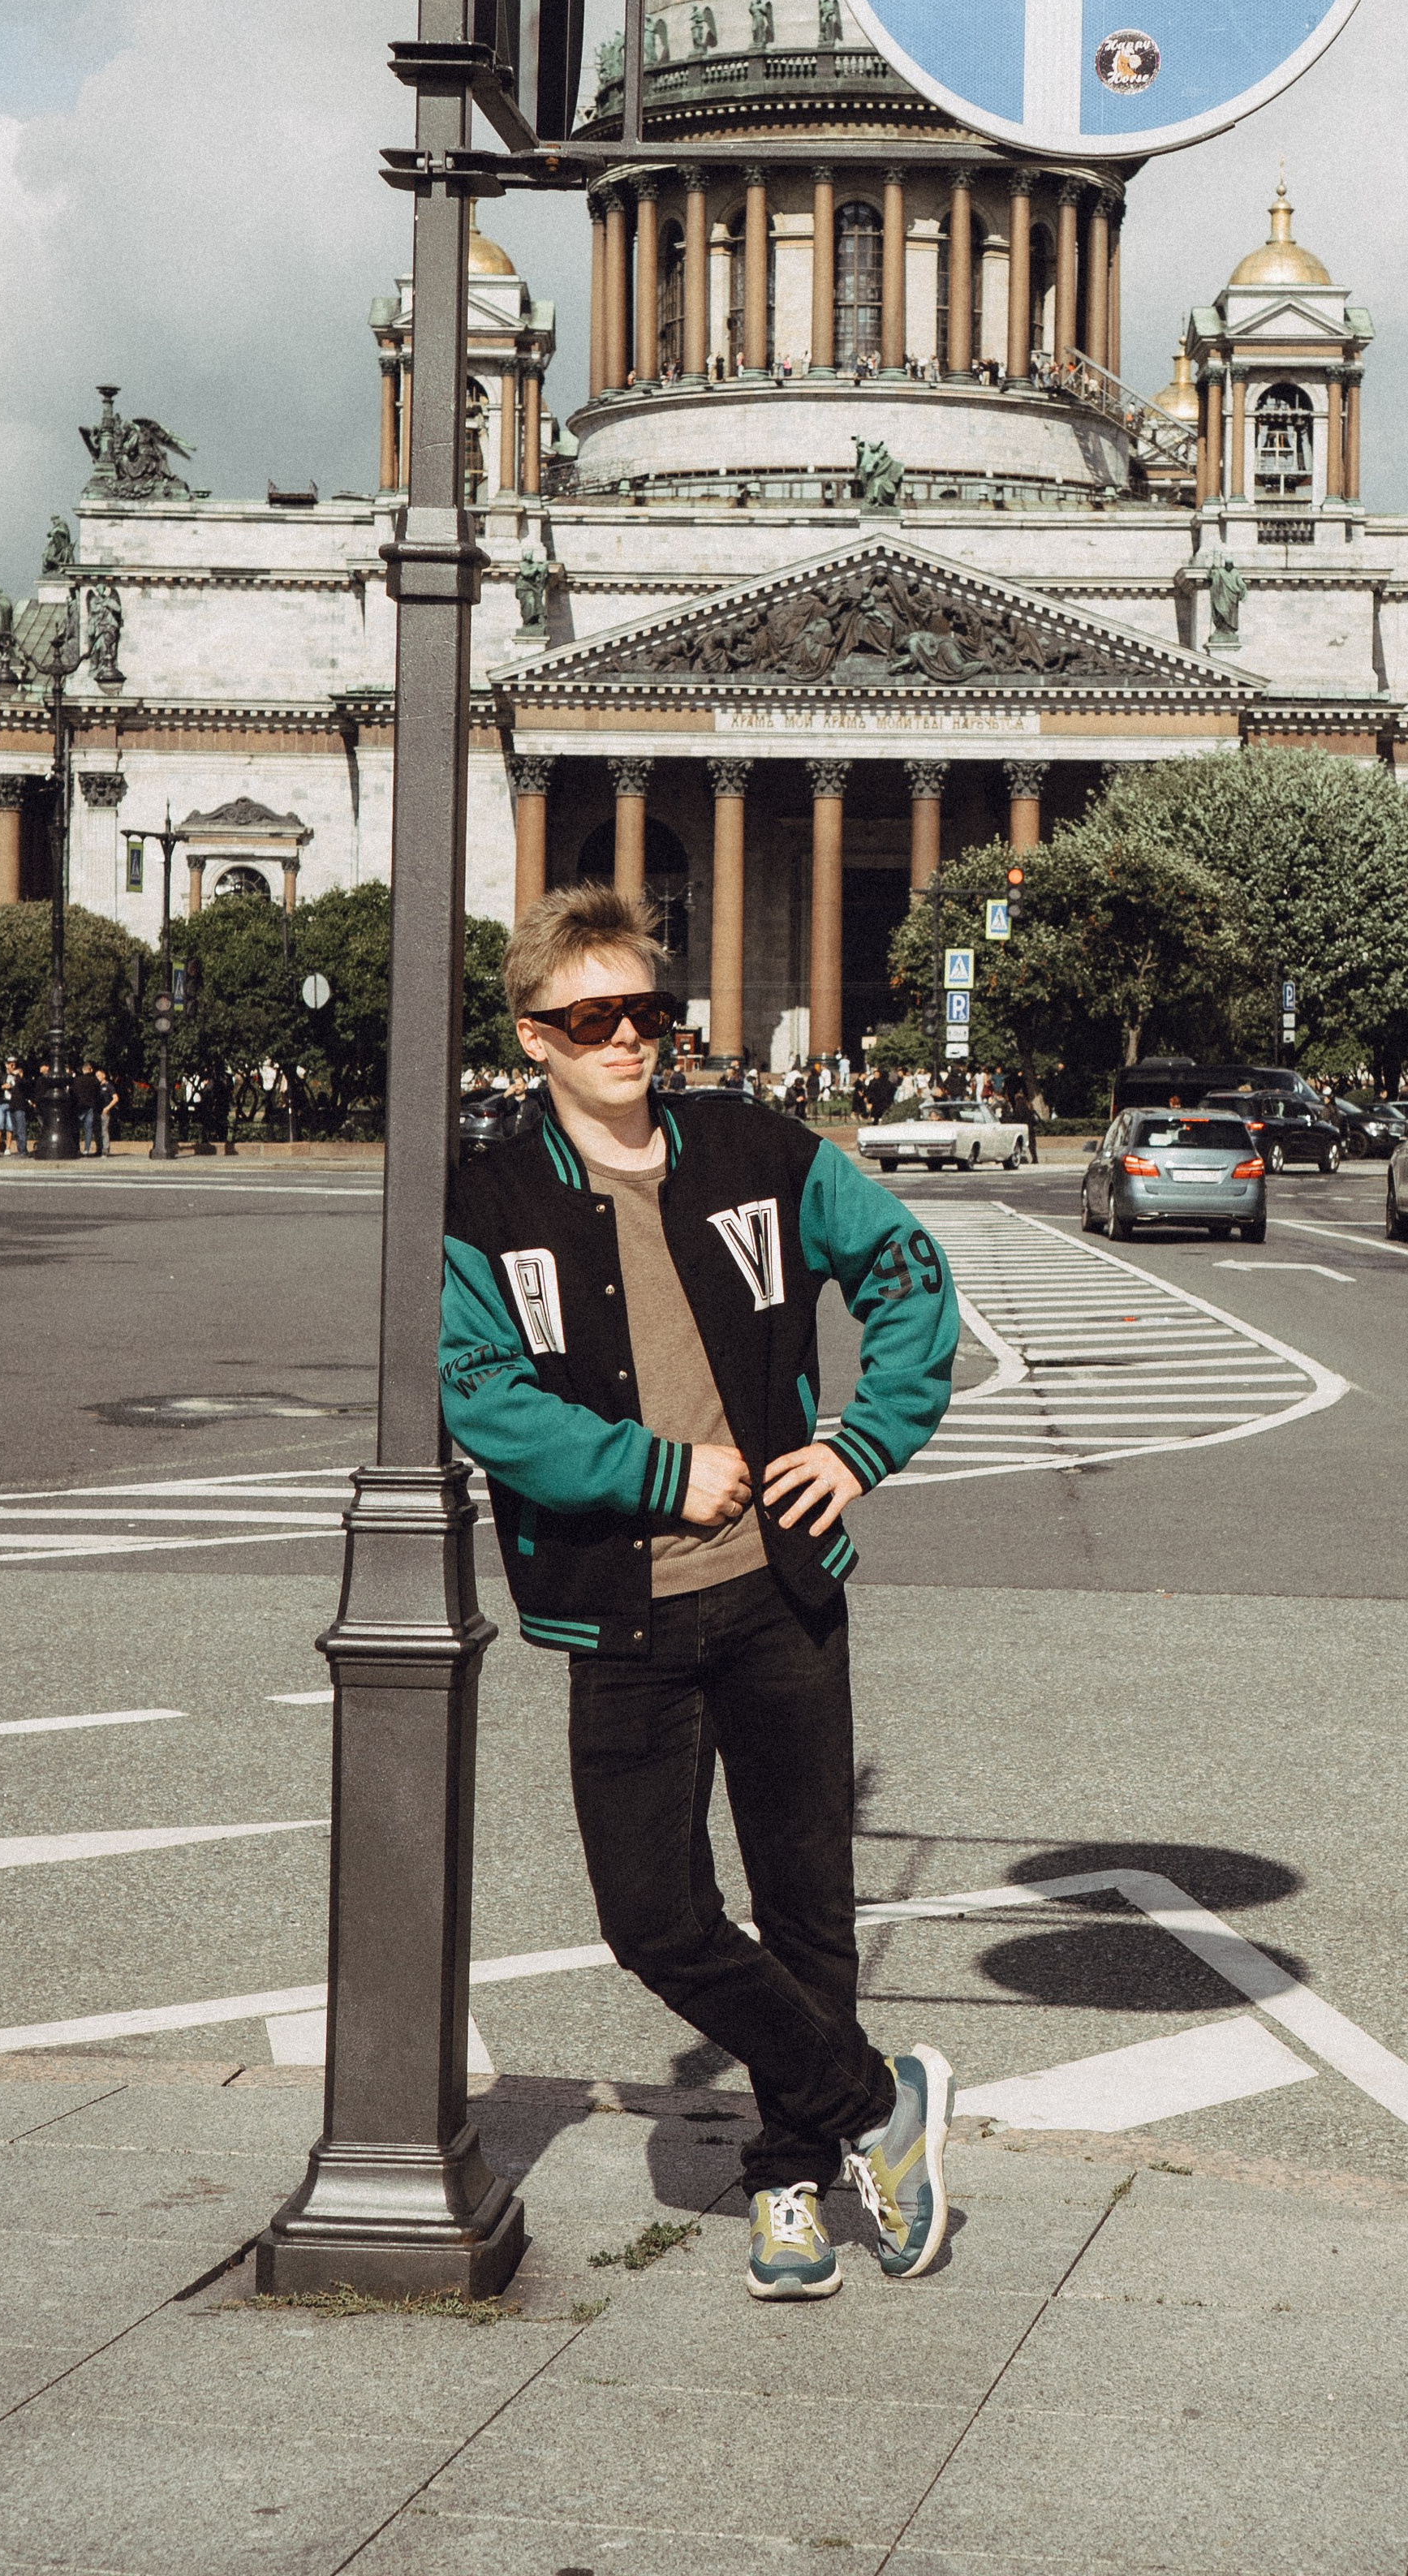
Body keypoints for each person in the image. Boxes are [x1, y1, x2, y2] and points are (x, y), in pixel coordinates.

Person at [438, 882, 960, 2305]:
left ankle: (793, 2182)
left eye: (644, 1014)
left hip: (781, 1590)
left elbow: (913, 1279)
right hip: (618, 1607)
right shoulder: (486, 1198)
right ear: (533, 1037)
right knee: (653, 1917)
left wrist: (860, 1446)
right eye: (588, 1018)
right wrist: (663, 1475)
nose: (624, 1040)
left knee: (807, 1906)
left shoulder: (757, 1149)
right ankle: (876, 2103)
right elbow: (481, 1397)